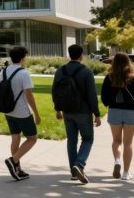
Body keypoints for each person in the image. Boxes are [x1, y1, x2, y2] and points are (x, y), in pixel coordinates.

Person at [51, 44, 102, 184]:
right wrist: (97, 114)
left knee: (71, 141)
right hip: (83, 112)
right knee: (87, 139)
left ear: (69, 54)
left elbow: (54, 90)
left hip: (67, 111)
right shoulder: (86, 72)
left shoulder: (61, 70)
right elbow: (92, 95)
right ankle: (79, 164)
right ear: (81, 55)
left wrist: (57, 109)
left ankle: (73, 173)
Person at [100, 53, 134, 181]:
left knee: (116, 141)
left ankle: (117, 160)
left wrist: (110, 103)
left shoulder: (109, 78)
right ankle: (126, 173)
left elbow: (104, 98)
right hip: (130, 112)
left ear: (114, 62)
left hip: (115, 111)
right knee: (128, 143)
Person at [1, 46, 41, 181]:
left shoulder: (4, 71)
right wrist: (36, 113)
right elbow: (28, 95)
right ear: (23, 58)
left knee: (15, 138)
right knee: (32, 138)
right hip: (22, 112)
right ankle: (13, 161)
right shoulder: (24, 73)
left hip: (8, 110)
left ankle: (17, 170)